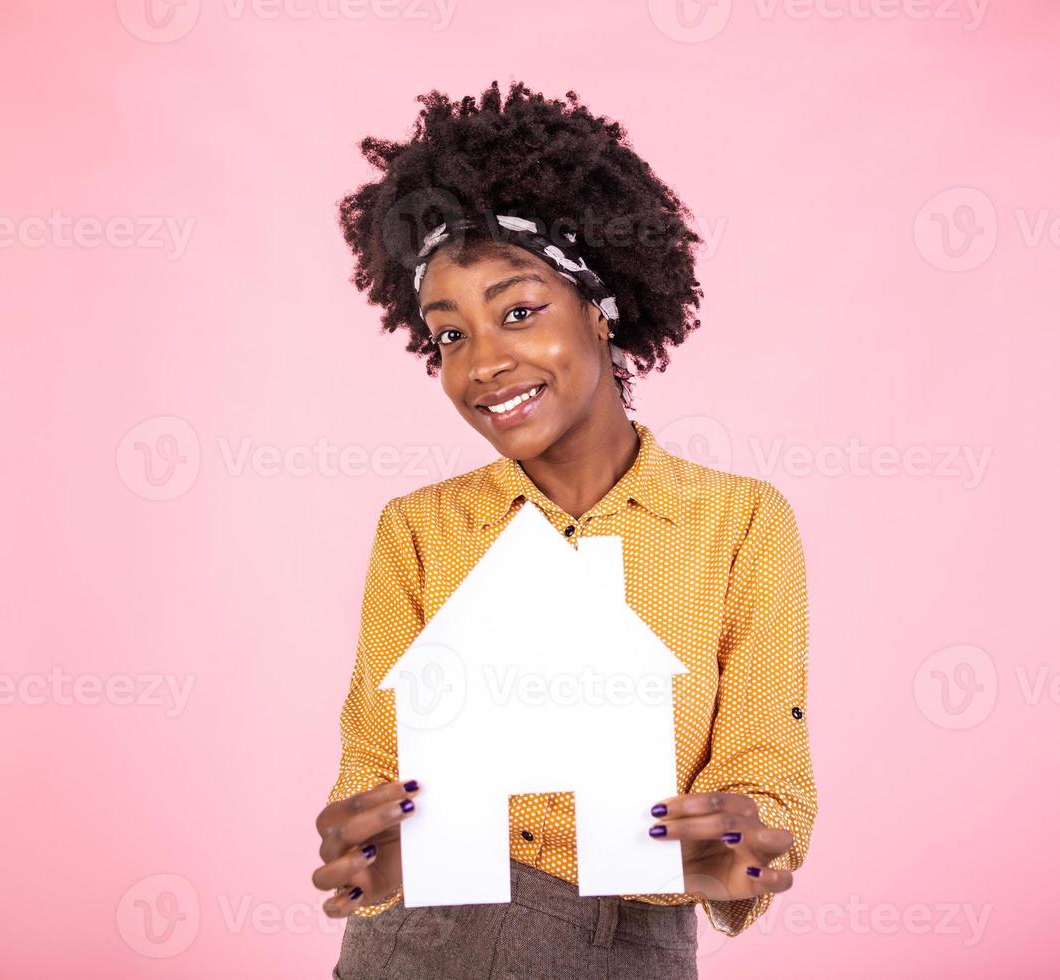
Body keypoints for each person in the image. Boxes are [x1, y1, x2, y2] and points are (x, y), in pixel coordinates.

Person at [313, 80, 817, 979]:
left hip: (623, 946)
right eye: (449, 337)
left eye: (518, 311)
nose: (484, 364)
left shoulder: (738, 524)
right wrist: (366, 835)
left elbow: (767, 764)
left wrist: (746, 841)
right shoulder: (420, 530)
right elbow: (374, 756)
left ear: (602, 304)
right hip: (416, 948)